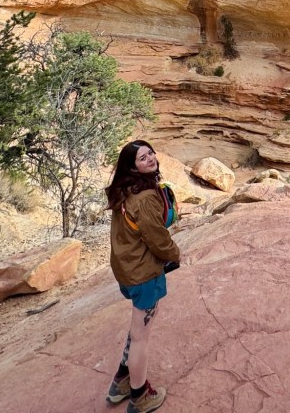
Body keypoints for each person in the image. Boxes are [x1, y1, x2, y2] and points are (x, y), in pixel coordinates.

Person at [104, 140, 181, 413]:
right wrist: (176, 254)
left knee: (137, 328)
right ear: (132, 166)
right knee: (141, 337)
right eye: (142, 158)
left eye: (150, 154)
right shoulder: (146, 197)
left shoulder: (124, 190)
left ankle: (120, 383)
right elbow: (158, 239)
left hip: (126, 268)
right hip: (143, 273)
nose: (149, 159)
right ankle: (139, 396)